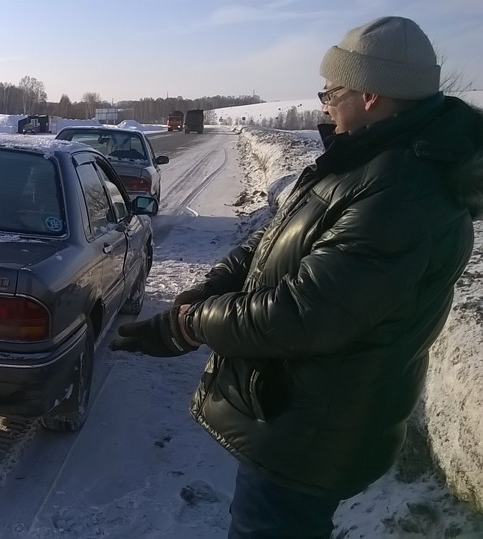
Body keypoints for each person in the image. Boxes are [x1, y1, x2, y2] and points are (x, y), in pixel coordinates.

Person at [110, 15, 483, 539]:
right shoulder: (370, 162)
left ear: (371, 94)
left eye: (332, 88)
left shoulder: (402, 191)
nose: (325, 100)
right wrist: (211, 288)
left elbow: (305, 313)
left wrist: (189, 325)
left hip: (311, 432)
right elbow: (277, 240)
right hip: (301, 415)